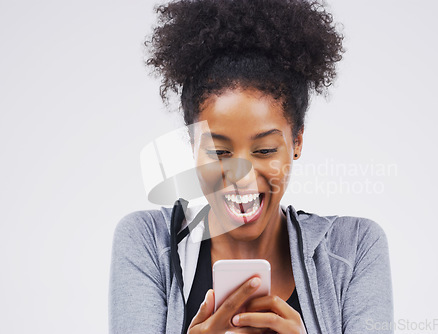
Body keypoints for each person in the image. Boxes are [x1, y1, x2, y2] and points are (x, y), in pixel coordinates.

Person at [109, 0, 393, 333]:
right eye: (219, 151)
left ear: (297, 141)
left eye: (264, 149)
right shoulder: (149, 242)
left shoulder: (355, 248)